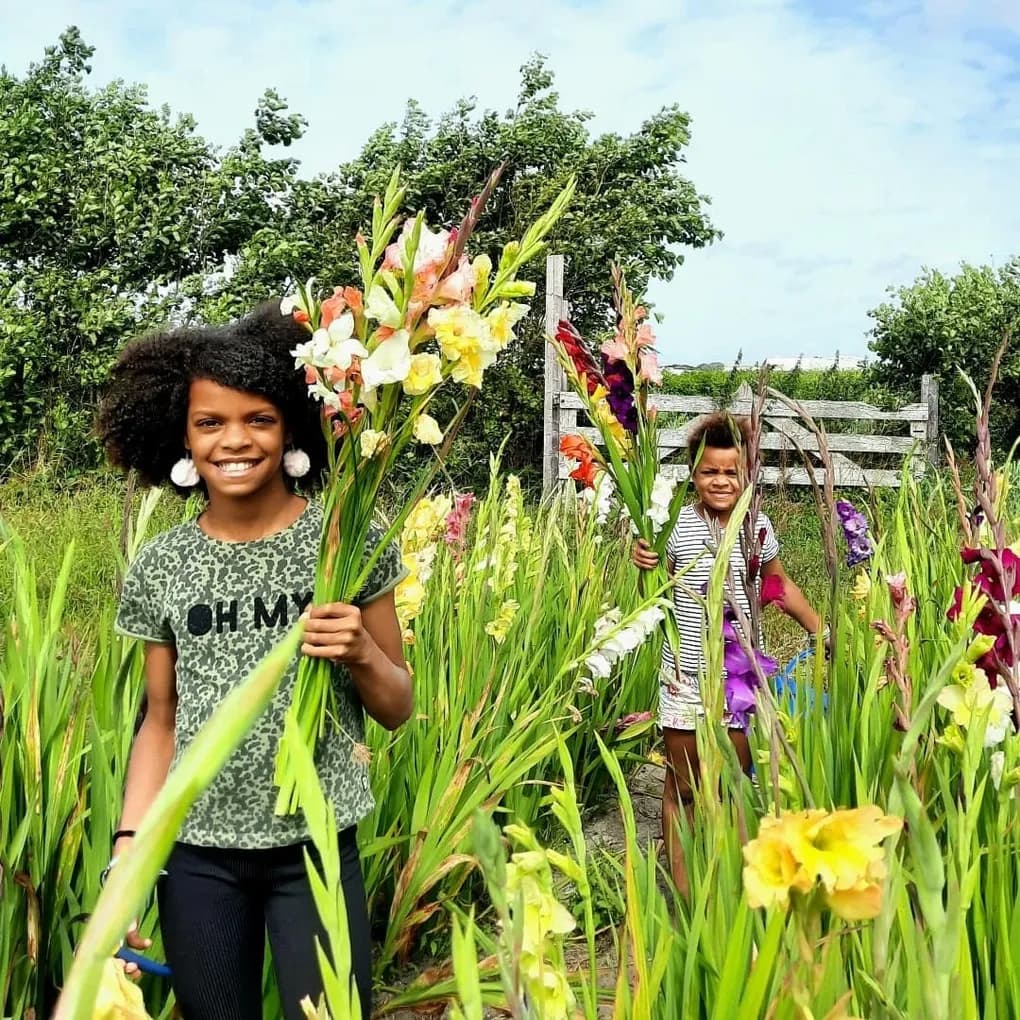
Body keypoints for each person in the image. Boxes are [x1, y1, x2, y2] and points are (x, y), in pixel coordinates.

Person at [97, 302, 412, 1020]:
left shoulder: (346, 537)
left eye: (259, 420)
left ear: (293, 429)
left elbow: (397, 708)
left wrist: (361, 651)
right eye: (211, 423)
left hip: (318, 848)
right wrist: (127, 858)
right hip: (197, 855)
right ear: (182, 434)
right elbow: (161, 721)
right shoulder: (162, 565)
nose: (234, 440)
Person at [631, 412, 822, 896]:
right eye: (708, 471)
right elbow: (651, 596)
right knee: (684, 787)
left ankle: (733, 892)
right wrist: (643, 563)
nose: (720, 481)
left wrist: (821, 629)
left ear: (747, 474)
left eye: (730, 472)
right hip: (686, 676)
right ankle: (684, 895)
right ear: (694, 474)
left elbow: (778, 585)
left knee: (733, 785)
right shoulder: (675, 526)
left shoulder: (757, 526)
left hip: (738, 681)